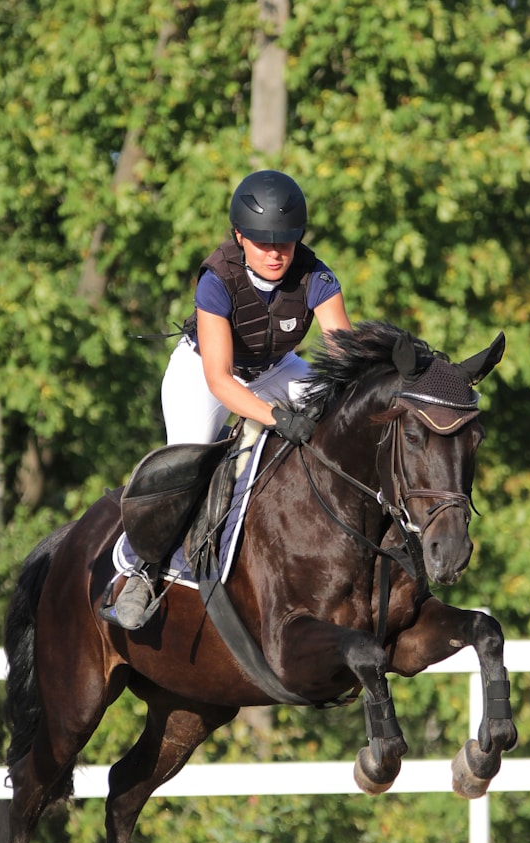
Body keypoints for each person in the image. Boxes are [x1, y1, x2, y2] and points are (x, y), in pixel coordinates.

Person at [103, 169, 352, 629]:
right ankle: (141, 566)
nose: (276, 253)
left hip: (276, 368)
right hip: (203, 375)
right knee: (186, 464)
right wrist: (278, 419)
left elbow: (345, 358)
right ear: (240, 236)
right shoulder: (216, 280)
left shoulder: (317, 276)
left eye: (286, 242)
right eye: (263, 242)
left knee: (342, 416)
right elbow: (219, 380)